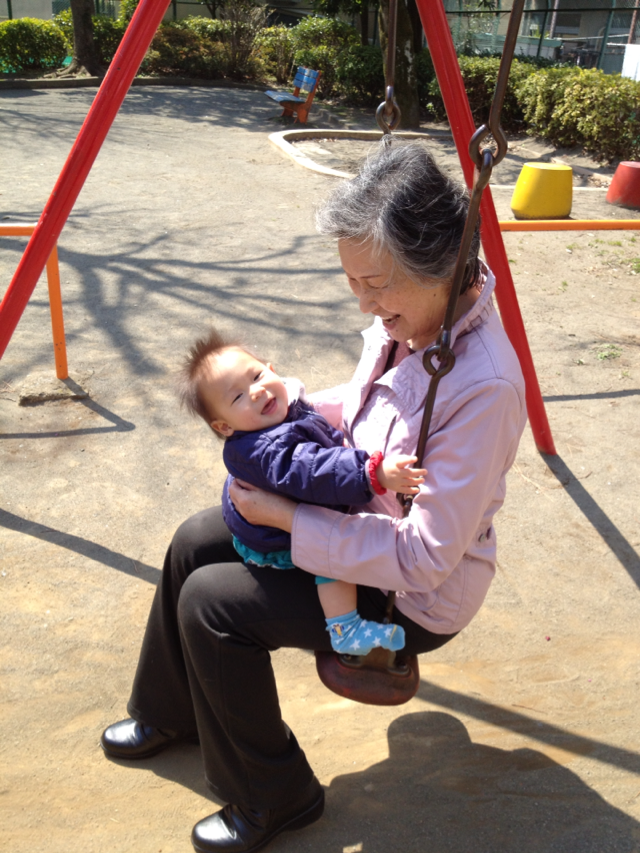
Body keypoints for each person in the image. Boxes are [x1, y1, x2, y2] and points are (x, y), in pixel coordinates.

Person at [101, 142, 527, 853]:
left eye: (375, 285)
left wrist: (289, 515)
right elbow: (366, 405)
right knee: (194, 541)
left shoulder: (483, 387)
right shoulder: (410, 318)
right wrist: (280, 415)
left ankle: (277, 797)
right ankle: (169, 711)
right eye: (353, 282)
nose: (364, 303)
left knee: (213, 605)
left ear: (442, 267)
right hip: (356, 513)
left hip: (411, 591)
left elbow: (425, 557)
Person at [177, 329, 426, 655]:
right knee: (331, 557)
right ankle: (345, 629)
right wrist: (372, 472)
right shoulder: (270, 449)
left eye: (257, 376)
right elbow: (315, 471)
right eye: (237, 397)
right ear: (224, 426)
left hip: (266, 514)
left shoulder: (280, 410)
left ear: (272, 369)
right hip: (276, 538)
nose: (256, 391)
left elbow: (316, 416)